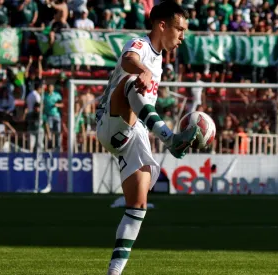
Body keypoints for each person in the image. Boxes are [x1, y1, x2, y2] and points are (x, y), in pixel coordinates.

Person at [95, 2, 200, 274]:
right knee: (131, 80)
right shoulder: (140, 45)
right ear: (161, 25)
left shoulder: (160, 58)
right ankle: (169, 137)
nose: (182, 36)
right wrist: (141, 69)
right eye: (179, 29)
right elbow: (129, 60)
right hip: (112, 119)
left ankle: (114, 271)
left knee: (138, 205)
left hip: (134, 131)